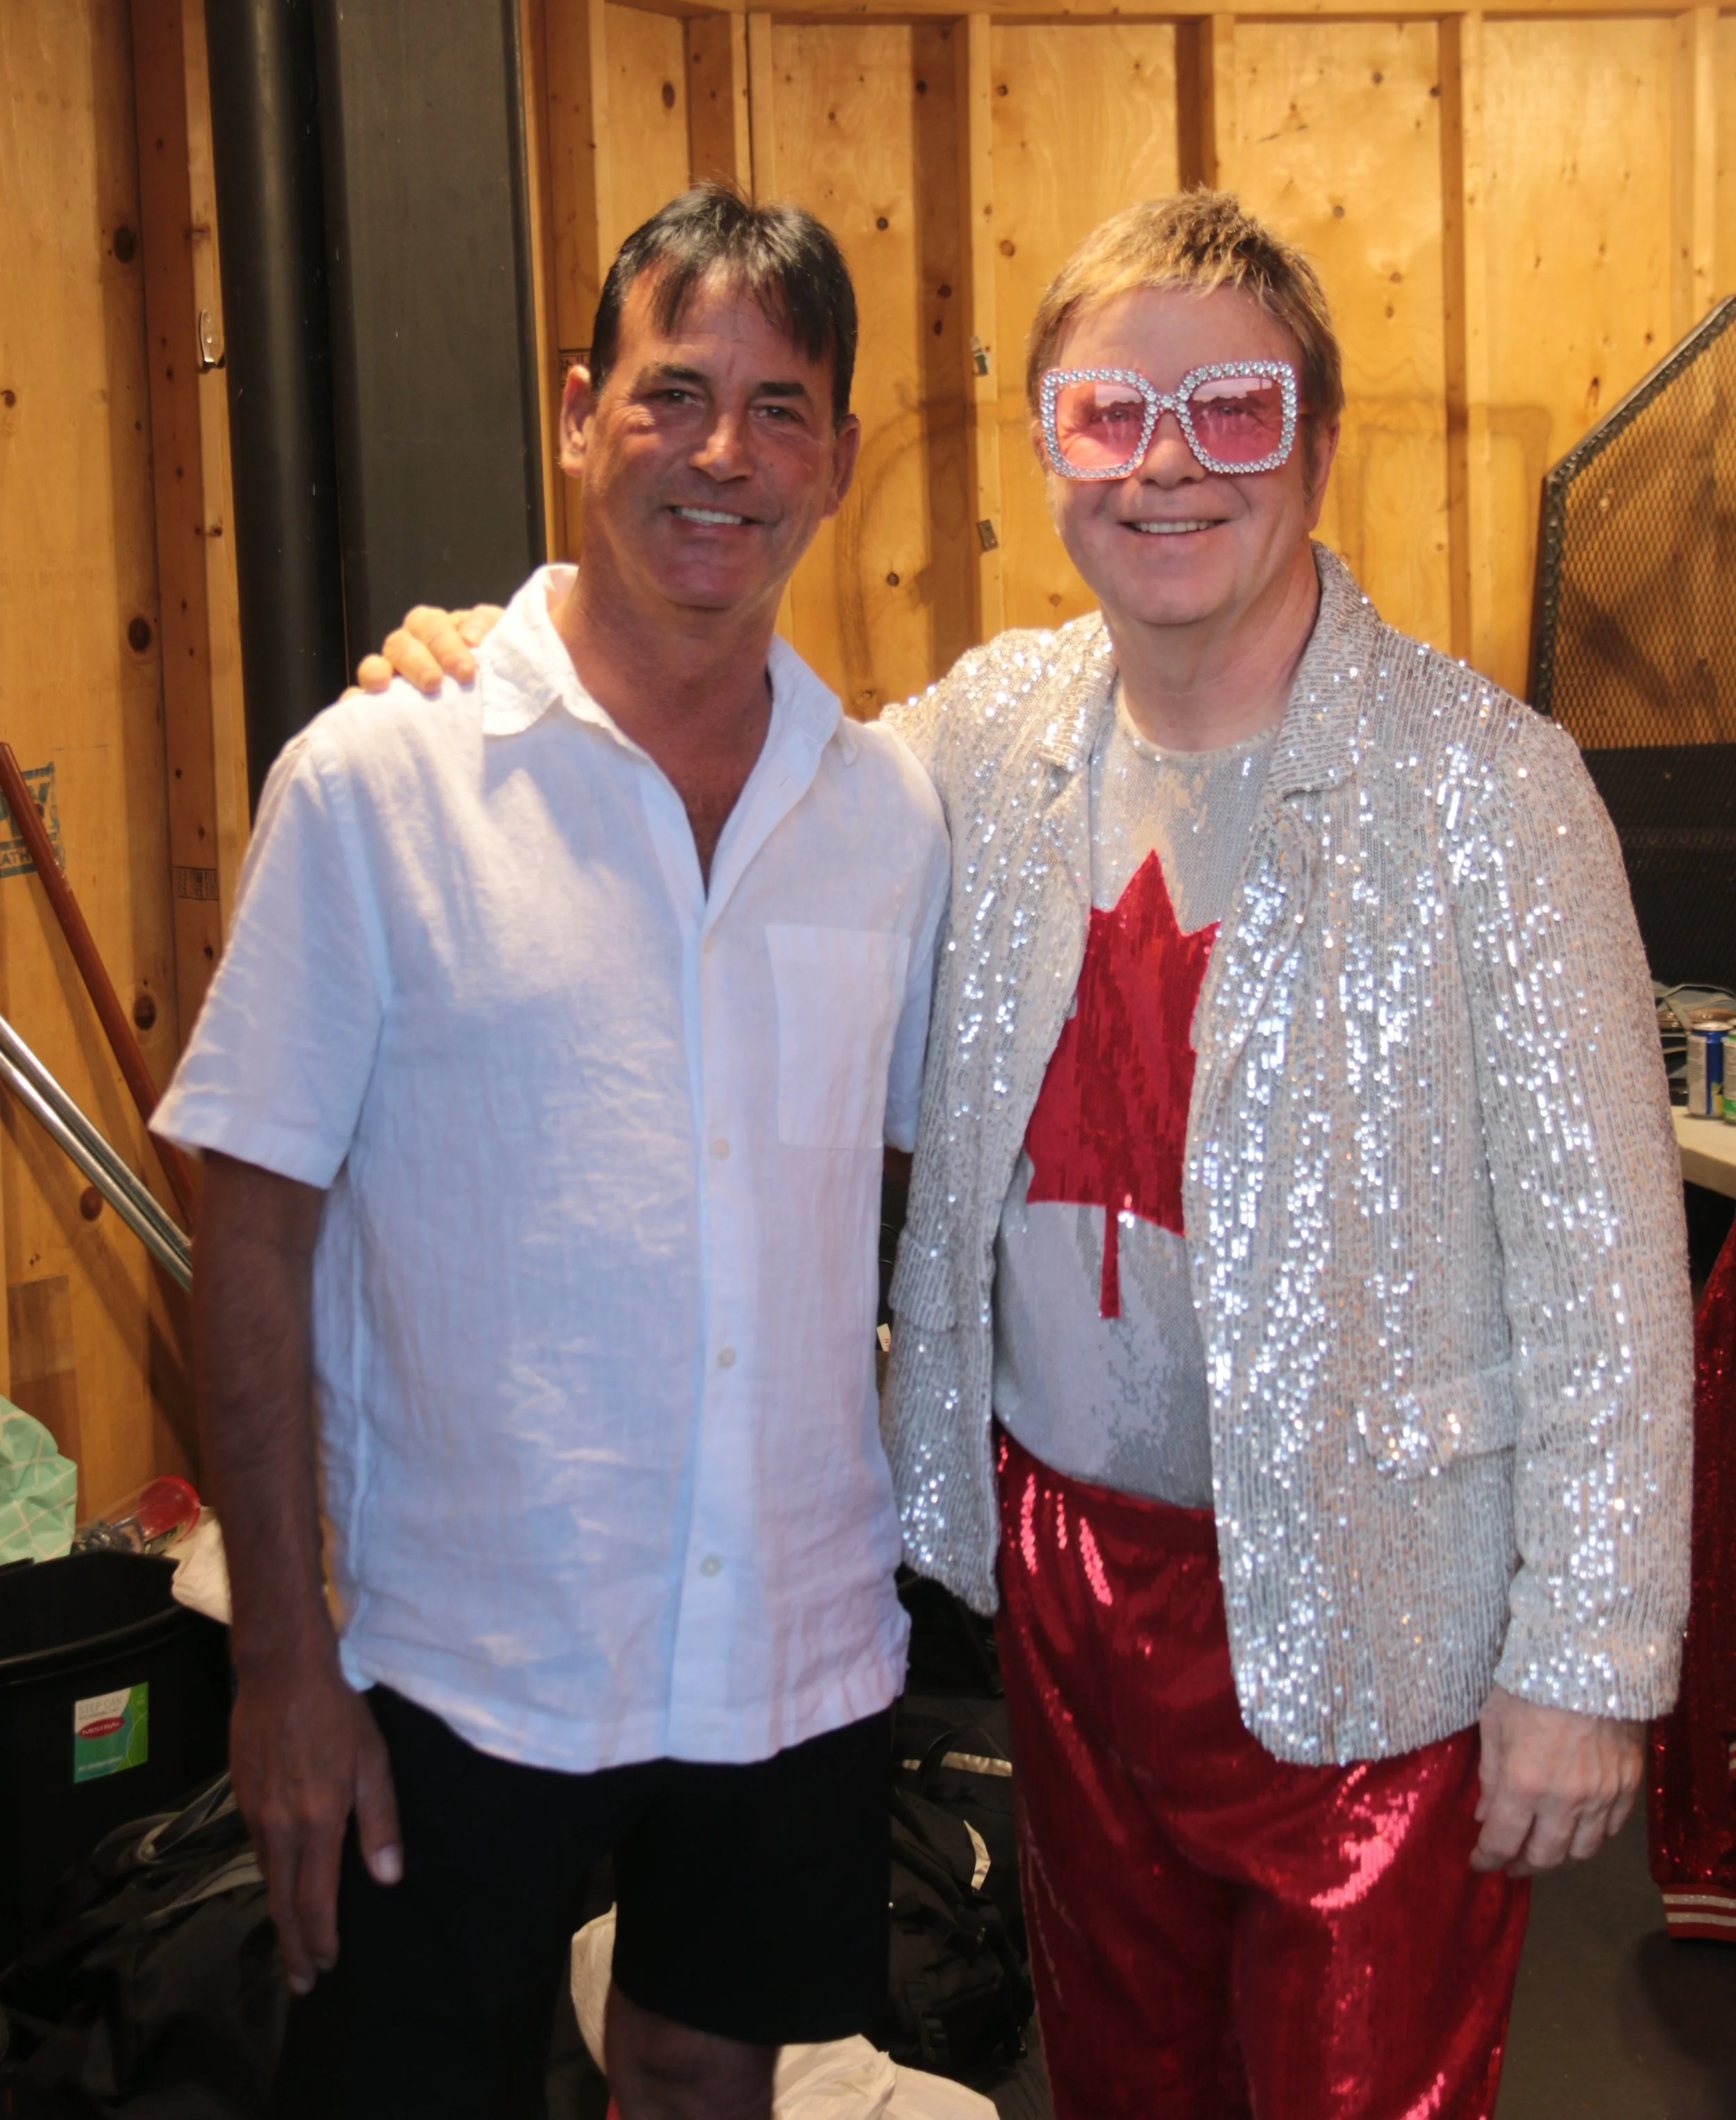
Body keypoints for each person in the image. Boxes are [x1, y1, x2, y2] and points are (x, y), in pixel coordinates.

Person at [375, 189, 1692, 2119]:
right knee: (1115, 2079)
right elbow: (723, 752)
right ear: (1045, 449)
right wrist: (498, 666)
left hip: (1372, 1599)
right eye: (1107, 414)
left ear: (1315, 443)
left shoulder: (1488, 794)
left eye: (1231, 410)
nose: (1166, 467)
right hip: (1069, 1590)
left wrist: (1585, 1652)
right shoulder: (977, 742)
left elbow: (1609, 1265)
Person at [152, 185, 951, 2120]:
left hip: (788, 1629)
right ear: (581, 409)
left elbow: (899, 1189)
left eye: (779, 411)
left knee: (697, 2076)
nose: (722, 455)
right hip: (454, 1643)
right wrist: (278, 1659)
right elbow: (244, 1235)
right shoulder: (379, 782)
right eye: (675, 392)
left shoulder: (889, 813)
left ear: (837, 463)